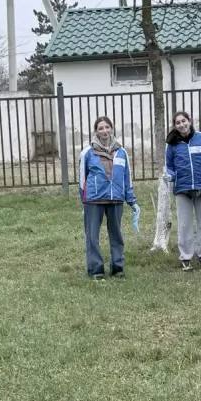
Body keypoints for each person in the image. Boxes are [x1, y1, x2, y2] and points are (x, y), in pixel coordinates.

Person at [79, 116, 139, 281]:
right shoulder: (87, 152)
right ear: (96, 131)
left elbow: (127, 178)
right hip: (93, 200)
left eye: (107, 127)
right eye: (100, 128)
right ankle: (96, 269)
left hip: (116, 199)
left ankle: (117, 268)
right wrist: (83, 201)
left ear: (111, 129)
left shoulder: (122, 152)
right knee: (92, 236)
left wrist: (131, 200)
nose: (104, 131)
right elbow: (82, 179)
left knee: (116, 235)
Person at [163, 110, 201, 270]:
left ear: (190, 120)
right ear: (175, 126)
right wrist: (170, 176)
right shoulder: (171, 143)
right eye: (178, 123)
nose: (181, 125)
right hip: (183, 188)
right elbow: (169, 166)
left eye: (184, 121)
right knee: (184, 224)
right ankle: (186, 256)